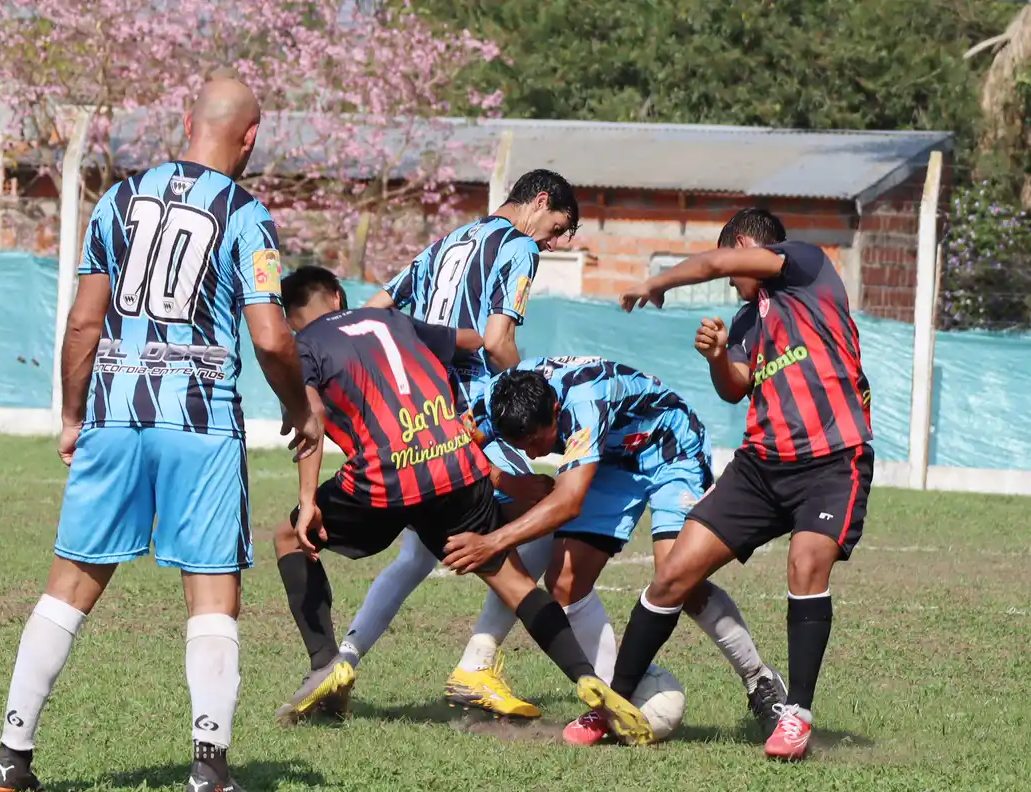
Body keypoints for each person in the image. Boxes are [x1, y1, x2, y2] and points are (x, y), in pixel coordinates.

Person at [0, 76, 322, 792]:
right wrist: (302, 407)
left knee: (68, 586)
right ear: (251, 137)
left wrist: (73, 414)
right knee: (213, 594)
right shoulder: (246, 215)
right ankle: (208, 769)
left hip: (114, 416)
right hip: (199, 424)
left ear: (187, 121)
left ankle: (11, 754)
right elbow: (271, 337)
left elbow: (83, 321)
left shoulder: (118, 199)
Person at [271, 267, 651, 743]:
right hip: (454, 460)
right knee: (514, 581)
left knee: (289, 537)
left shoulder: (303, 346)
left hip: (386, 475)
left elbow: (310, 417)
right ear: (336, 295)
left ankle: (326, 663)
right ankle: (586, 677)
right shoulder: (393, 320)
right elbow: (476, 341)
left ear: (290, 320)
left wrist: (308, 499)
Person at [276, 170, 579, 721]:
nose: (554, 243)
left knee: (416, 554)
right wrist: (530, 391)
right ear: (539, 203)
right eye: (558, 228)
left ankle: (340, 661)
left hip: (415, 414)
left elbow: (375, 308)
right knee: (544, 521)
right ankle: (481, 665)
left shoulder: (448, 241)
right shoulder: (517, 247)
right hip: (471, 413)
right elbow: (497, 342)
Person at [604, 207, 874, 760]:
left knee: (806, 563)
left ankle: (796, 716)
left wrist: (658, 282)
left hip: (830, 461)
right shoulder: (749, 319)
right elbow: (736, 387)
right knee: (674, 572)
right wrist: (714, 357)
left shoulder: (806, 266)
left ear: (746, 246)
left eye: (734, 269)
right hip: (760, 467)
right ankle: (612, 702)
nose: (731, 283)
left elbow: (714, 263)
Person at [438, 358, 785, 744]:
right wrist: (503, 479)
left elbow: (568, 503)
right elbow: (455, 444)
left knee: (678, 577)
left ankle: (759, 680)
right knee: (565, 581)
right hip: (612, 461)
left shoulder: (585, 403)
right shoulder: (498, 397)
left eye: (538, 440)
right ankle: (612, 699)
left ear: (555, 408)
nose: (534, 455)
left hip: (669, 447)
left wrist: (492, 541)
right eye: (523, 446)